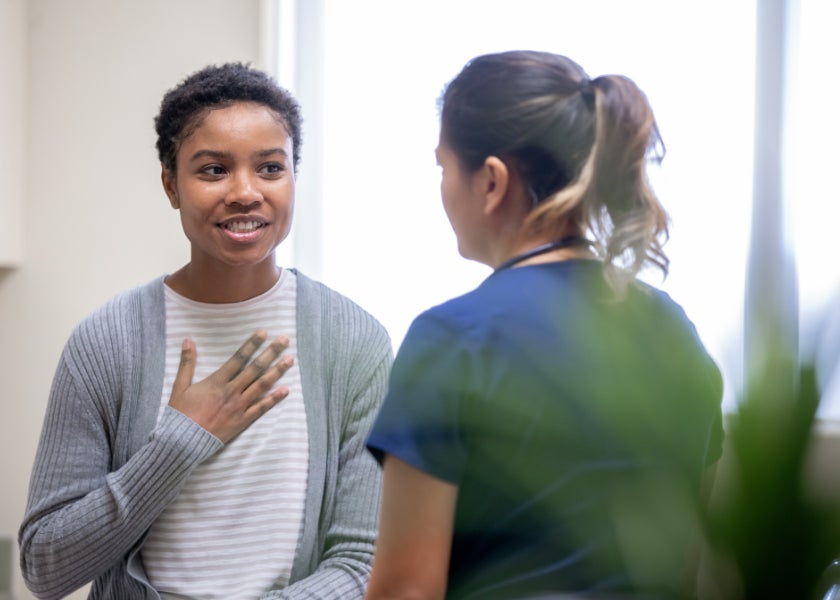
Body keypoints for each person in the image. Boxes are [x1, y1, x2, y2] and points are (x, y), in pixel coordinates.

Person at [19, 62, 392, 600]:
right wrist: (178, 442)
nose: (245, 192)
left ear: (293, 178)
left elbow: (364, 563)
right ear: (171, 186)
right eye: (213, 170)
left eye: (269, 168)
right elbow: (44, 567)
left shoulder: (354, 341)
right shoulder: (106, 343)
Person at [365, 50, 724, 600]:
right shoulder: (676, 333)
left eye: (442, 167)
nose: (441, 188)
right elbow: (683, 569)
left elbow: (405, 592)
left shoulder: (453, 340)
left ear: (490, 181)